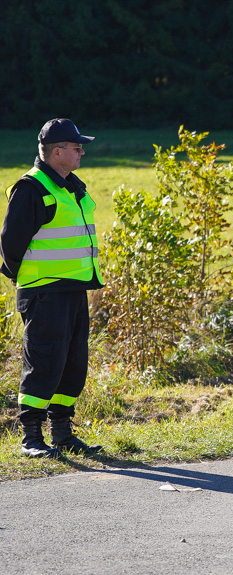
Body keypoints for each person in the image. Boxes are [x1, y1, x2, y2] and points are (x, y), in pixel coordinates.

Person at [1, 118, 104, 457]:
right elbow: (10, 244)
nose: (82, 152)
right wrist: (27, 280)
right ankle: (31, 437)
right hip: (45, 292)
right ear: (56, 152)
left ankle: (62, 432)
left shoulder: (70, 185)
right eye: (76, 148)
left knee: (73, 364)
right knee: (44, 363)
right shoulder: (32, 188)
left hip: (73, 289)